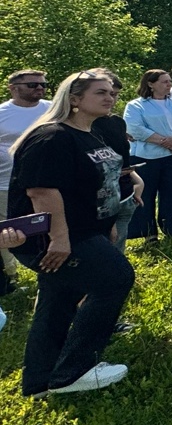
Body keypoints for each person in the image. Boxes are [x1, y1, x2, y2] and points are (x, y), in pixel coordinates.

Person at [7, 70, 137, 395]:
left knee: (57, 300)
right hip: (56, 238)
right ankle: (74, 371)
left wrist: (104, 227)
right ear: (75, 99)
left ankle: (39, 381)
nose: (110, 97)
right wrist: (60, 239)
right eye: (100, 92)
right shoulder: (53, 136)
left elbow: (96, 189)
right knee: (116, 278)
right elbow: (42, 191)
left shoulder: (89, 134)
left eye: (111, 92)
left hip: (83, 231)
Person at [124, 70, 172, 240]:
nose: (169, 84)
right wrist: (167, 143)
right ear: (150, 84)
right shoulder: (136, 106)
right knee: (145, 194)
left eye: (170, 81)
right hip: (145, 157)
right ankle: (148, 233)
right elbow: (135, 129)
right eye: (164, 81)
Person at [1, 69, 52, 292]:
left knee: (50, 227)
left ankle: (54, 271)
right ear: (14, 88)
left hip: (48, 182)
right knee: (8, 231)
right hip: (6, 184)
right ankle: (10, 276)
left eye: (43, 84)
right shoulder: (3, 112)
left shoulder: (53, 109)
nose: (40, 88)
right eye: (32, 85)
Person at [87, 68, 144, 252]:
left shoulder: (117, 122)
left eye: (115, 94)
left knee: (117, 251)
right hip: (96, 200)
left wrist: (137, 183)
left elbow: (121, 160)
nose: (111, 99)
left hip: (125, 194)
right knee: (97, 251)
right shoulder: (80, 127)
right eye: (103, 93)